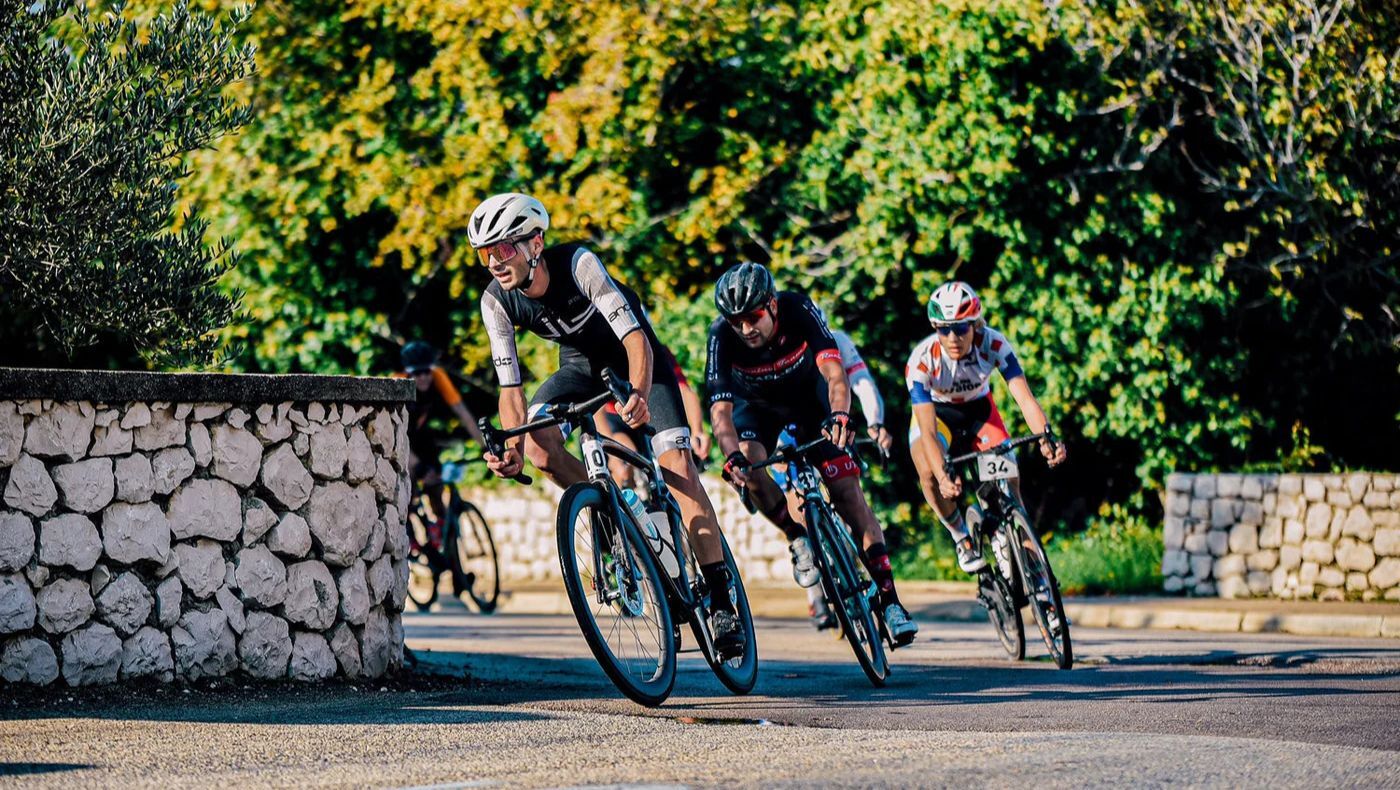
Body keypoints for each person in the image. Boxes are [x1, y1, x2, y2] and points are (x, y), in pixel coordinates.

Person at [469, 192, 744, 657]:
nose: (494, 261)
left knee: (677, 471)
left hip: (635, 360)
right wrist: (512, 451)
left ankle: (720, 599)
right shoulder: (496, 302)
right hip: (580, 367)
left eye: (504, 248)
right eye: (484, 253)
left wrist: (637, 391)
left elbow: (636, 339)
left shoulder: (579, 264)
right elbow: (510, 389)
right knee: (538, 448)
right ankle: (611, 507)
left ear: (535, 242)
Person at [706, 261, 918, 646]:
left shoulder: (798, 309)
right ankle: (796, 536)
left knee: (848, 494)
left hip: (810, 401)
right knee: (750, 468)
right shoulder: (722, 335)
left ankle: (890, 601)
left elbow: (836, 375)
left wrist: (840, 414)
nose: (745, 329)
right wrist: (732, 455)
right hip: (756, 408)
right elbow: (720, 412)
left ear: (771, 305)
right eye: (736, 321)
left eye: (752, 316)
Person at [905, 281, 1067, 574]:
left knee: (1009, 489)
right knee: (928, 469)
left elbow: (1025, 399)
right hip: (938, 416)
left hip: (979, 412)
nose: (952, 337)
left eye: (961, 328)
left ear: (975, 325)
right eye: (943, 329)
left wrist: (1047, 436)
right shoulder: (922, 361)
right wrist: (943, 475)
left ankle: (1039, 581)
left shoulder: (993, 344)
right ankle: (960, 536)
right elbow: (927, 432)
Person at [396, 340, 486, 528]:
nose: (423, 378)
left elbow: (463, 413)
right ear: (407, 372)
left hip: (420, 436)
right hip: (399, 438)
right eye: (417, 373)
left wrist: (486, 446)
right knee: (409, 483)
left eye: (426, 371)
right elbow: (395, 436)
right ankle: (405, 531)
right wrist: (418, 466)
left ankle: (442, 534)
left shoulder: (438, 376)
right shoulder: (397, 382)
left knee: (436, 484)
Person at [596, 343, 711, 489]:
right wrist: (611, 453)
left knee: (675, 462)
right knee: (624, 466)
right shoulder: (603, 354)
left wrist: (697, 430)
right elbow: (597, 412)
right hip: (616, 418)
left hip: (649, 409)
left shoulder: (658, 350)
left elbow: (684, 390)